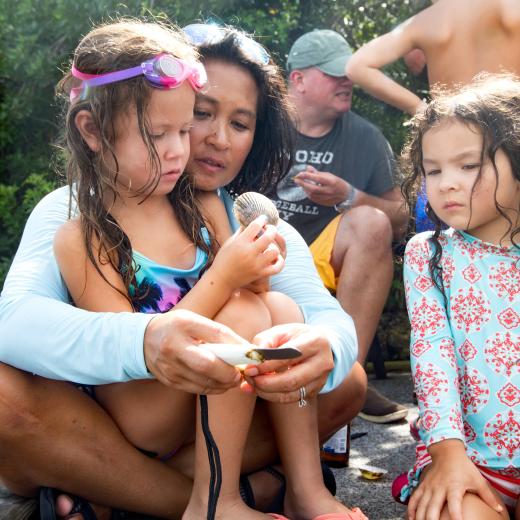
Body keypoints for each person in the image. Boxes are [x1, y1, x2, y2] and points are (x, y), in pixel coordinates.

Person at [0, 21, 366, 520]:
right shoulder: (72, 220)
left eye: (240, 123)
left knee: (311, 343)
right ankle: (227, 498)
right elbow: (14, 321)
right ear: (95, 130)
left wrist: (278, 295)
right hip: (135, 414)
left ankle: (117, 499)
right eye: (198, 116)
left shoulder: (218, 207)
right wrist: (206, 294)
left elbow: (318, 317)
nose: (206, 141)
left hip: (208, 406)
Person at [270, 28, 409, 423]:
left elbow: (401, 218)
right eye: (335, 72)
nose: (347, 79)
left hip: (320, 257)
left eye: (349, 71)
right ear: (298, 79)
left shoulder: (365, 137)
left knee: (372, 221)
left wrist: (350, 195)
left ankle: (347, 378)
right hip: (258, 250)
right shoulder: (260, 123)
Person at [399, 74, 520, 520]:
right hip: (470, 461)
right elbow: (432, 354)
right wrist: (448, 455)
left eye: (468, 166)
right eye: (433, 170)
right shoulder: (429, 254)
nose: (447, 182)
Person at [345, 0, 520, 115]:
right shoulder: (511, 7)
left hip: (457, 134)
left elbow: (357, 66)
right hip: (512, 124)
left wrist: (421, 109)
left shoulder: (427, 21)